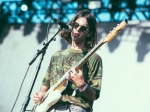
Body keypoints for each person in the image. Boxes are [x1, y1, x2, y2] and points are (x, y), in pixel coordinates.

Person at [33, 9, 103, 112]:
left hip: (75, 108)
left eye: (83, 28)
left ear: (89, 33)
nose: (77, 29)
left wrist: (82, 84)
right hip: (50, 108)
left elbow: (94, 96)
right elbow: (46, 84)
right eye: (75, 25)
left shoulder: (93, 57)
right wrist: (40, 95)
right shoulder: (56, 55)